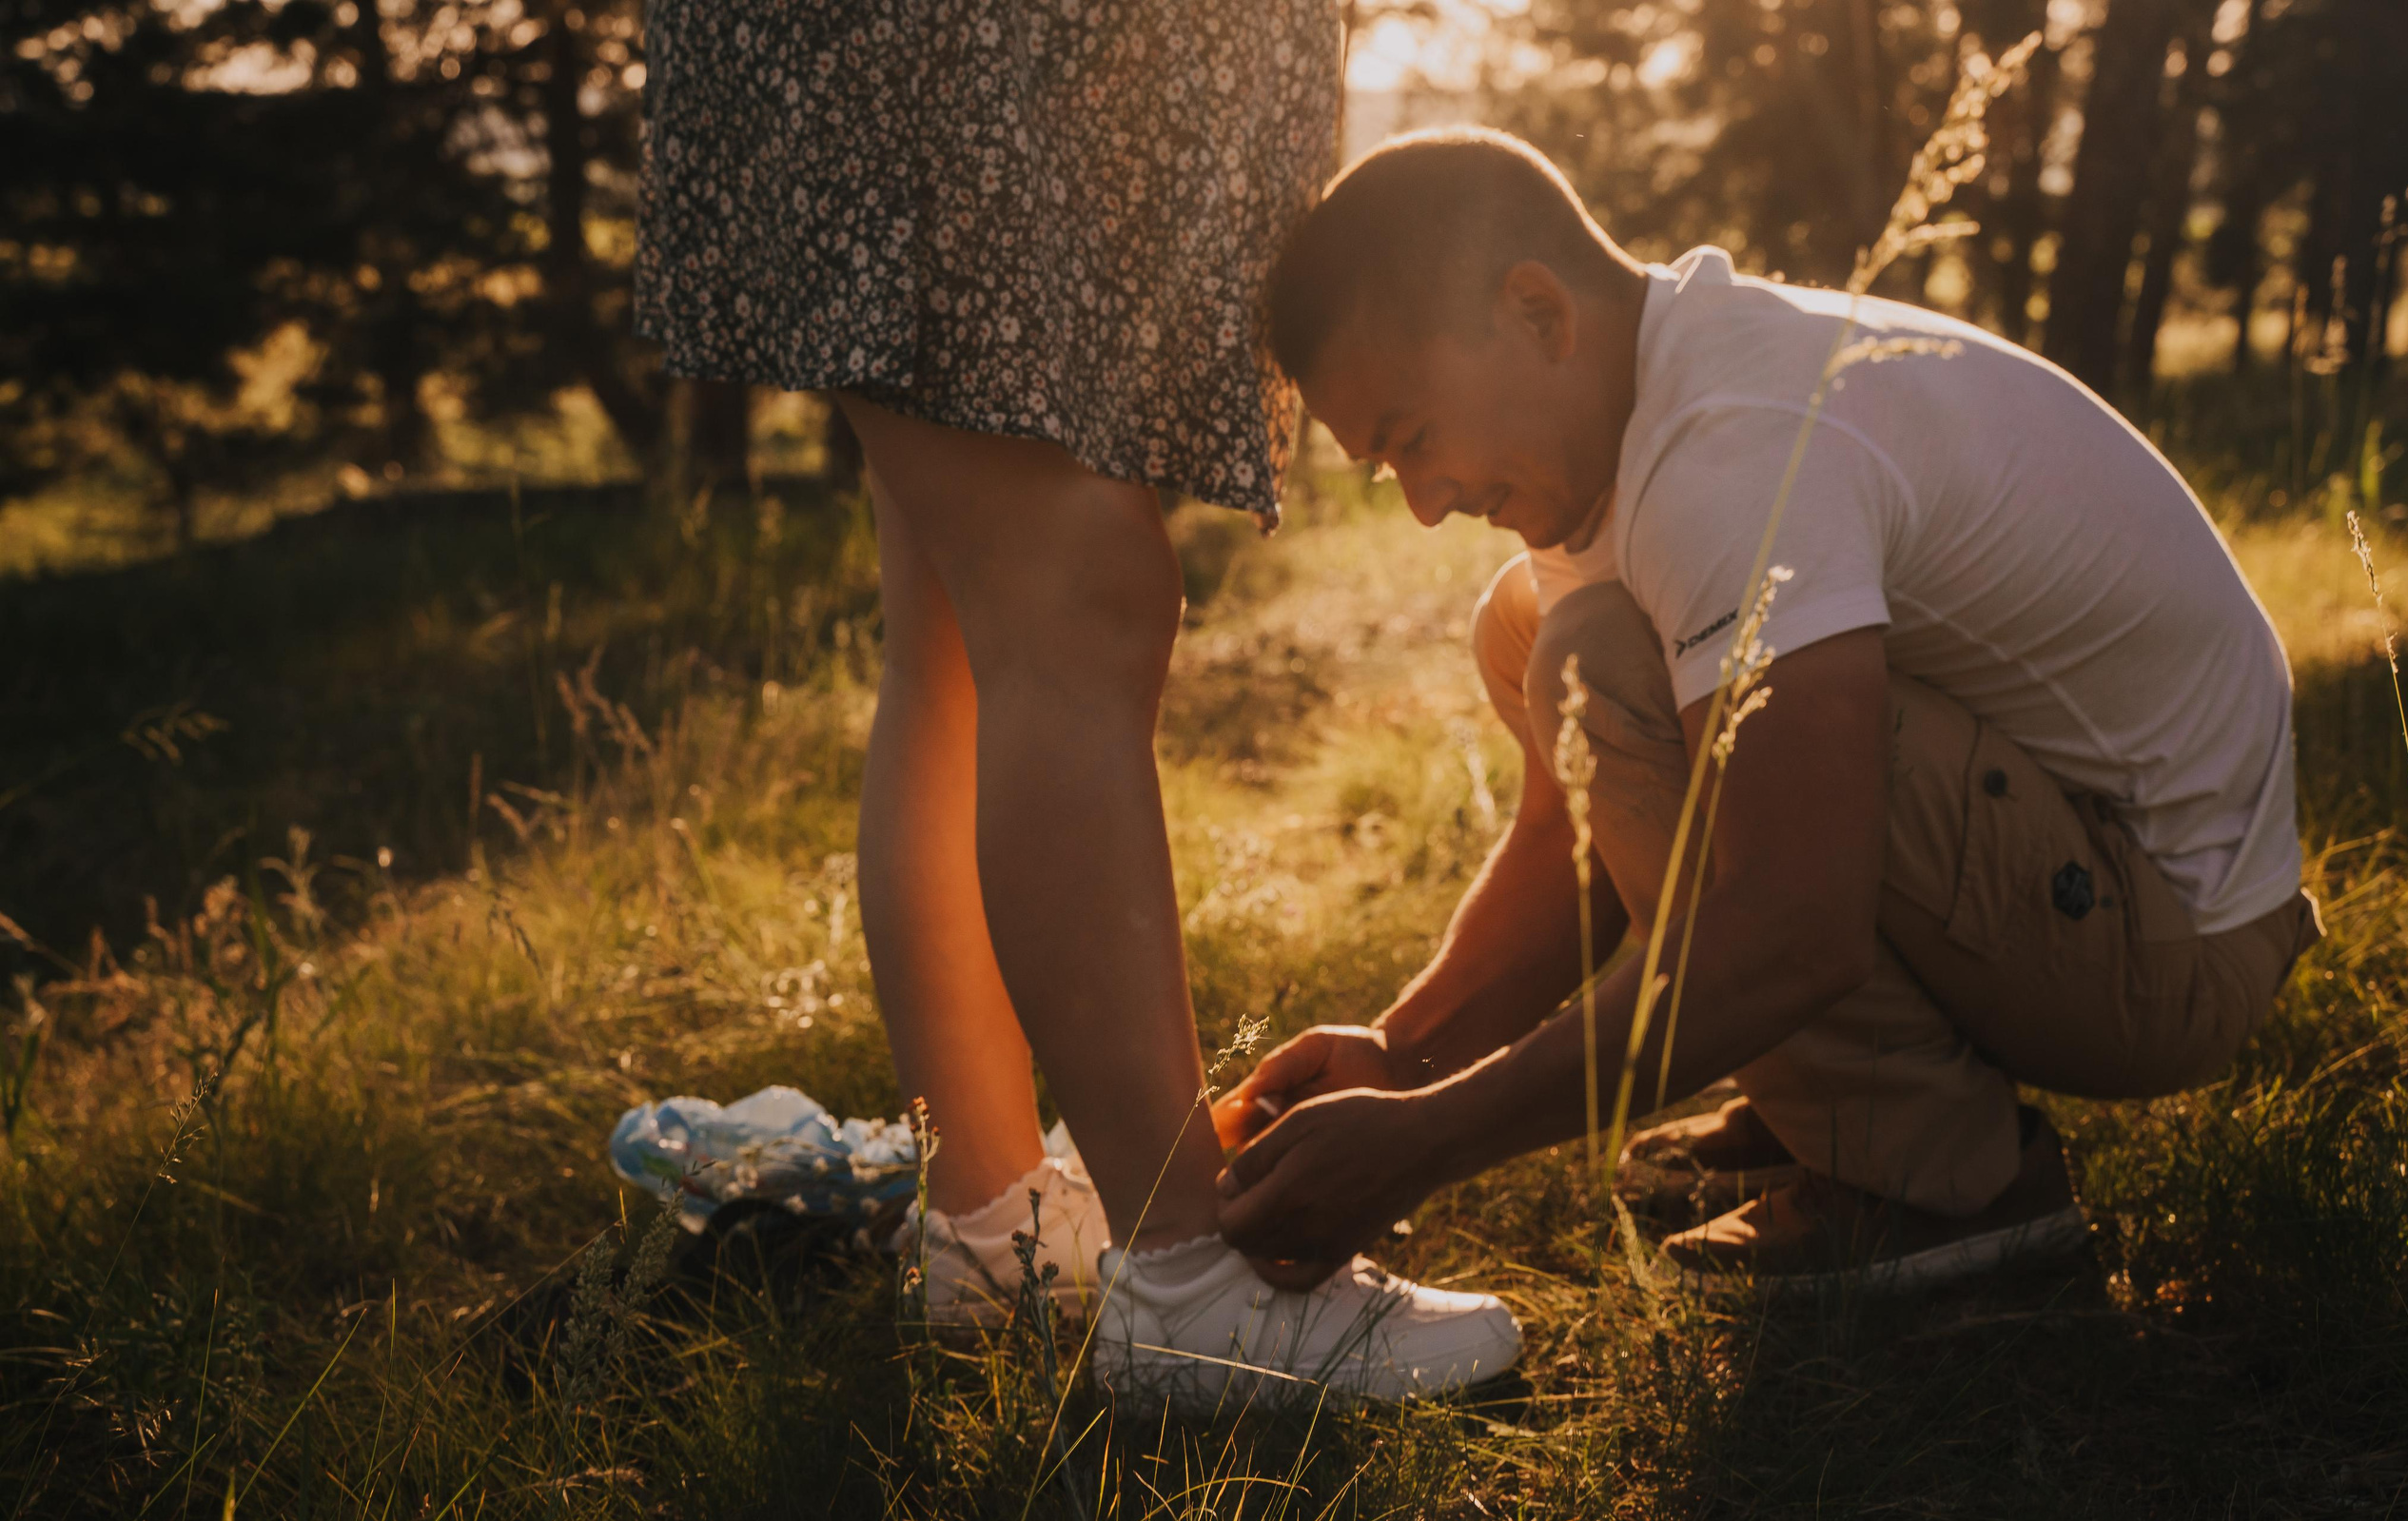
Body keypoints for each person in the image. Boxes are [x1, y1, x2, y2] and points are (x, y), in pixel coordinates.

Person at [1210, 128, 2319, 1295]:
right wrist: (1403, 1055)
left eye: (1414, 439)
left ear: (1539, 315)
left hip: (2163, 948)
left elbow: (1791, 921)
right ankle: (1844, 1105)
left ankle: (1945, 1189)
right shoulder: (1637, 412)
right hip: (2065, 869)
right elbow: (1575, 849)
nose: (1425, 505)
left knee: (1595, 659)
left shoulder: (1732, 450)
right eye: (1389, 471)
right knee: (1531, 627)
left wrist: (1430, 1142)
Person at [634, 8, 1520, 1403]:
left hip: (1012, 72)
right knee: (1074, 584)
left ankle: (995, 1221)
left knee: (961, 615)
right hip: (952, 62)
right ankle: (1186, 1278)